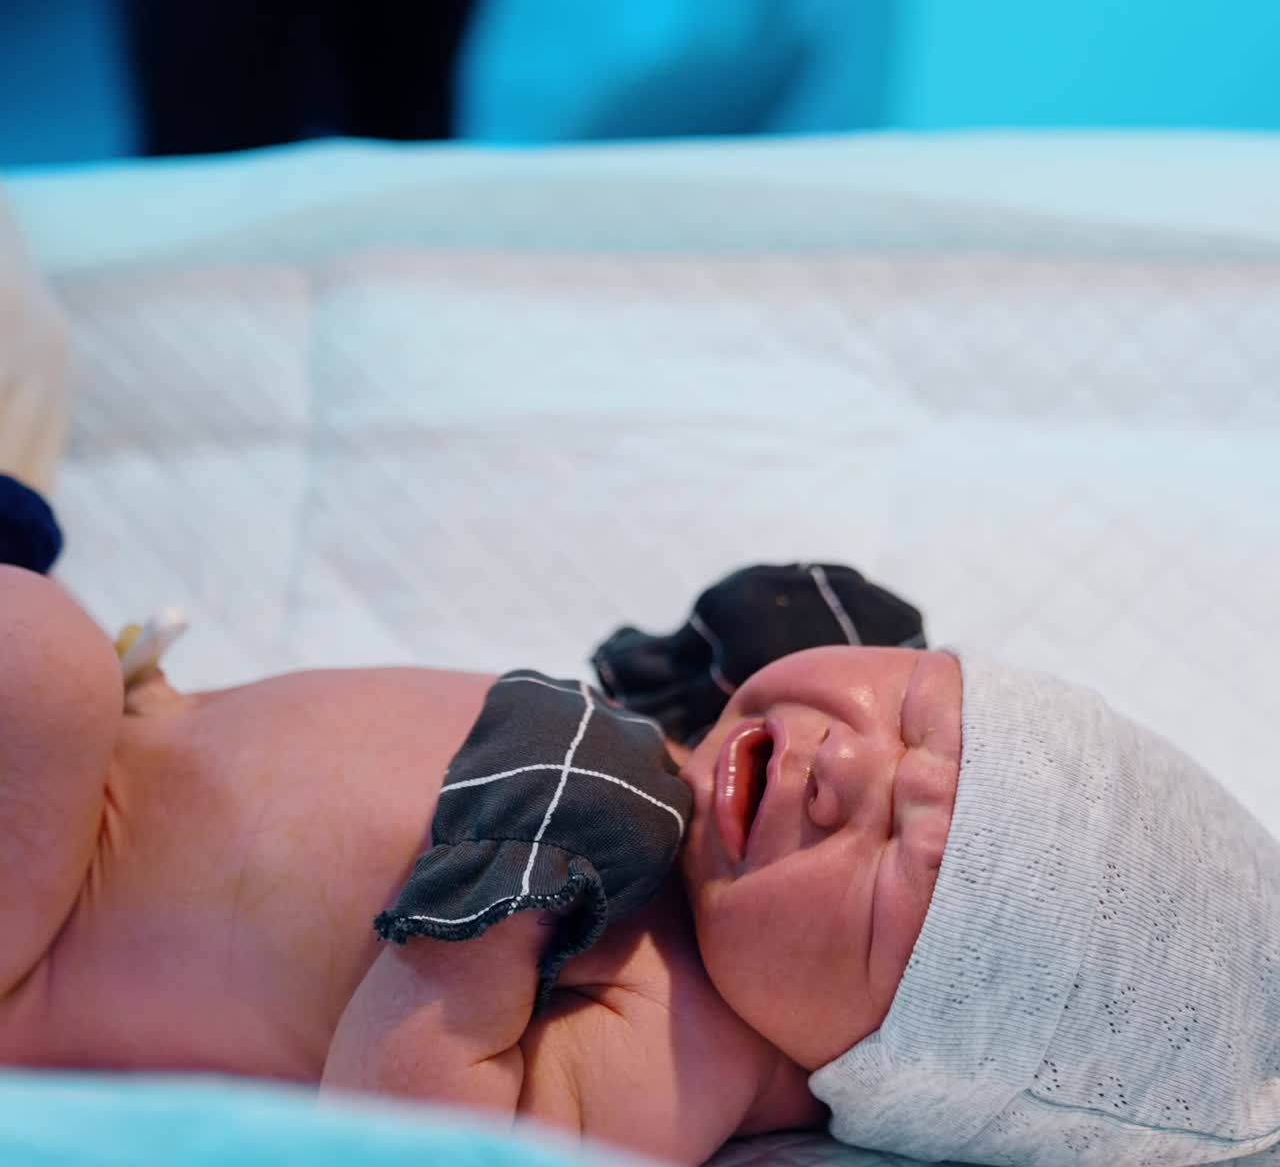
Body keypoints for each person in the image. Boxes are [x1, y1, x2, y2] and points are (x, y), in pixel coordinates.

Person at [2, 561, 1279, 1167]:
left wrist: (492, 914)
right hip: (117, 733)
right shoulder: (688, 778)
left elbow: (416, 1145)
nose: (849, 766)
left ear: (883, 1054)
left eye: (895, 852)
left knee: (28, 648)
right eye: (914, 713)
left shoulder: (685, 1034)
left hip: (41, 934)